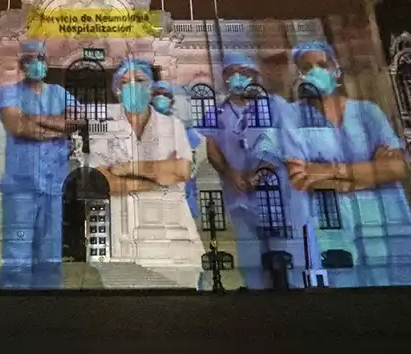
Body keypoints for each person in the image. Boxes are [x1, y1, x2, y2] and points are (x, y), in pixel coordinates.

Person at [280, 39, 411, 287]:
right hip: (333, 234)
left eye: (322, 64)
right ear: (300, 75)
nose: (316, 72)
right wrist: (371, 171)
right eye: (307, 68)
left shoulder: (367, 112)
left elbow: (396, 168)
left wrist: (329, 172)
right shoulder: (292, 115)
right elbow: (300, 178)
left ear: (336, 69)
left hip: (388, 228)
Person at [203, 52, 309, 289]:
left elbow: (285, 144)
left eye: (246, 73)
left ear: (255, 77)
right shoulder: (216, 113)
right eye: (233, 73)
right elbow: (211, 148)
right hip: (239, 197)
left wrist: (261, 173)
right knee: (252, 265)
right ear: (225, 78)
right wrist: (230, 173)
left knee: (287, 261)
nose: (239, 78)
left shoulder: (276, 105)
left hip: (278, 195)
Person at [95, 59, 203, 288]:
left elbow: (182, 170)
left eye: (140, 80)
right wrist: (160, 177)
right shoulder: (104, 128)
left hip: (175, 241)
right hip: (124, 245)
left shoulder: (173, 126)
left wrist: (127, 169)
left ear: (151, 87)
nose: (132, 86)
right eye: (124, 82)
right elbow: (103, 183)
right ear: (117, 90)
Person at [0, 41, 79, 290]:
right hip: (20, 182)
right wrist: (56, 126)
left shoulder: (59, 92)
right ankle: (12, 304)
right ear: (23, 65)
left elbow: (77, 120)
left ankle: (49, 305)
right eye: (31, 59)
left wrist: (33, 121)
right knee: (17, 252)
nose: (38, 64)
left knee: (50, 251)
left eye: (41, 58)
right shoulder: (10, 92)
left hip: (53, 183)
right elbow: (18, 126)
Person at [150, 81, 206, 222]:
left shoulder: (184, 128)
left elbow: (199, 151)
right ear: (150, 98)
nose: (161, 97)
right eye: (157, 94)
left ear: (172, 100)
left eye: (165, 94)